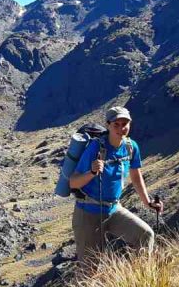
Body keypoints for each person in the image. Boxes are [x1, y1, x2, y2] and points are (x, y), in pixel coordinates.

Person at [69, 105, 164, 269]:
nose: (121, 128)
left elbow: (135, 176)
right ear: (108, 125)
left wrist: (147, 202)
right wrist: (92, 172)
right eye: (116, 124)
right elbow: (73, 182)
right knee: (90, 269)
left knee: (145, 235)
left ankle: (141, 282)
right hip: (88, 213)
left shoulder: (131, 147)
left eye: (125, 124)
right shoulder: (95, 148)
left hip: (113, 209)